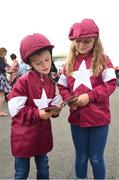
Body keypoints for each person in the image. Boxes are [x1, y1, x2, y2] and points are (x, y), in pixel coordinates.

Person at [58, 19, 117, 179]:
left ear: (95, 41)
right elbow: (62, 86)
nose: (82, 45)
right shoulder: (68, 63)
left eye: (87, 41)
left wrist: (89, 97)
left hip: (99, 119)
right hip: (77, 119)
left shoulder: (104, 60)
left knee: (96, 158)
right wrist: (69, 99)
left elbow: (111, 84)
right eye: (78, 41)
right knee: (81, 156)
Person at [7, 33, 61, 179]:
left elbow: (53, 102)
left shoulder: (50, 82)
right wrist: (38, 114)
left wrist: (56, 109)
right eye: (38, 63)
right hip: (23, 136)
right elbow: (15, 110)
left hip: (42, 135)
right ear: (29, 63)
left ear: (51, 56)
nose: (44, 65)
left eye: (47, 59)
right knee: (21, 172)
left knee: (43, 167)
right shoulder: (22, 81)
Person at [0, 47, 11, 116]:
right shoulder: (1, 59)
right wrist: (7, 71)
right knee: (1, 95)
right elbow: (1, 68)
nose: (5, 55)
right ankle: (0, 112)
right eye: (5, 54)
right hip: (0, 76)